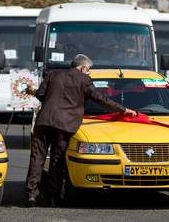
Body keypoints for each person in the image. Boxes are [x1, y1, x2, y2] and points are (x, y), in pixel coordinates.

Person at [25, 54, 137, 207]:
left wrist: (53, 103)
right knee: (58, 161)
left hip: (44, 121)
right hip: (65, 124)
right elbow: (101, 99)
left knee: (37, 158)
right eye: (88, 69)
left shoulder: (53, 74)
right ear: (83, 67)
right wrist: (123, 109)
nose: (89, 72)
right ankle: (52, 196)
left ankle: (31, 195)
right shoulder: (84, 80)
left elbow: (40, 94)